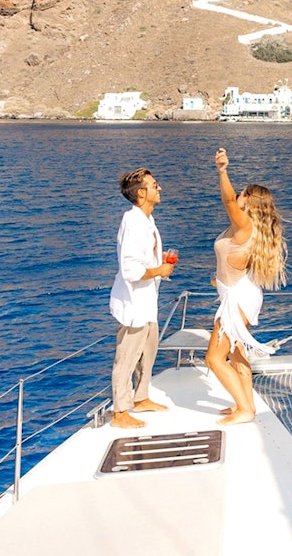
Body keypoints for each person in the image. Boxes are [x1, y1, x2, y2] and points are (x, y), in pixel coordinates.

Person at [204, 147, 287, 426]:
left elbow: (227, 200)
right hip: (240, 294)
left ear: (249, 201)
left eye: (242, 193)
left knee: (214, 358)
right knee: (236, 354)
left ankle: (244, 409)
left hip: (238, 298)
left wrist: (222, 171)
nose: (237, 195)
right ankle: (246, 404)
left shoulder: (245, 226)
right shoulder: (245, 228)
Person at [109, 168, 175, 430]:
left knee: (148, 352)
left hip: (148, 302)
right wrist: (160, 270)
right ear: (141, 194)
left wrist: (159, 262)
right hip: (134, 304)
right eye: (154, 185)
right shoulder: (133, 222)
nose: (160, 188)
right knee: (127, 358)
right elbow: (131, 270)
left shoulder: (147, 220)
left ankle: (141, 398)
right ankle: (120, 412)